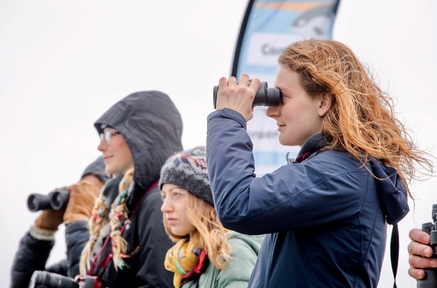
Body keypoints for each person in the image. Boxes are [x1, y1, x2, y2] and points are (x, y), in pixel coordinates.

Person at [206, 39, 435, 287]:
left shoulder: (340, 175)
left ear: (323, 102)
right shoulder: (337, 171)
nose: (271, 111)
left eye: (281, 97)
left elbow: (238, 204)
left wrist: (229, 118)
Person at [74, 90, 183, 287]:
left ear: (141, 136)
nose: (100, 147)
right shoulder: (134, 203)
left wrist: (74, 221)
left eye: (108, 134)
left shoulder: (159, 202)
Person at [159, 146, 263, 288]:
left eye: (177, 194)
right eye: (164, 196)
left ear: (206, 200)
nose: (165, 207)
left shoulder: (230, 252)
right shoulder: (191, 256)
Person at [10, 156, 108, 288]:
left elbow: (88, 281)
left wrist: (79, 219)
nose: (82, 201)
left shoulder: (126, 254)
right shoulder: (67, 265)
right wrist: (43, 232)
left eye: (90, 197)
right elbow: (27, 284)